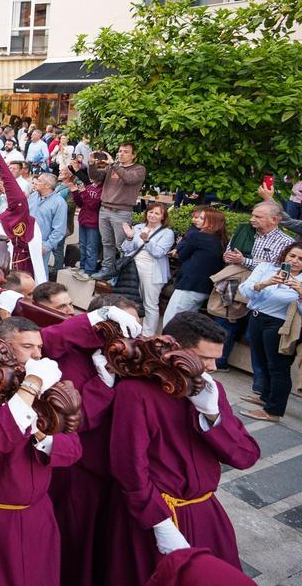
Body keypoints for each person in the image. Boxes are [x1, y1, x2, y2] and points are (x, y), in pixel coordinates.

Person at [107, 312, 260, 584]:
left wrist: (213, 416)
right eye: (204, 358)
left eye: (217, 358)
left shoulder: (211, 390)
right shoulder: (135, 392)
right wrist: (159, 523)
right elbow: (129, 467)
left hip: (205, 513)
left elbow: (245, 456)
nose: (213, 367)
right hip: (158, 515)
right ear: (174, 349)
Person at [0, 318, 81, 586]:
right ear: (4, 349)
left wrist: (43, 437)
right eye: (27, 346)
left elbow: (74, 448)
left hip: (34, 515)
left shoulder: (46, 389)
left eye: (40, 348)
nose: (37, 355)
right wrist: (31, 384)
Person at [237, 242, 302, 422]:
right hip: (257, 317)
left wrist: (300, 291)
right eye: (292, 256)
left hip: (280, 325)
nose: (295, 261)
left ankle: (273, 411)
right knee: (261, 361)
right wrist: (264, 284)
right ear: (285, 255)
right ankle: (265, 397)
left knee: (278, 367)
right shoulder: (267, 268)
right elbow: (245, 290)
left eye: (300, 259)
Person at [90, 144, 147, 276]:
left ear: (134, 155)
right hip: (104, 209)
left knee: (122, 245)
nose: (121, 154)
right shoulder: (112, 168)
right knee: (107, 243)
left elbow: (129, 179)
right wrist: (92, 163)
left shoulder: (139, 169)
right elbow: (95, 177)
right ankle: (107, 270)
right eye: (120, 151)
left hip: (121, 212)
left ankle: (122, 274)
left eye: (126, 152)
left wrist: (113, 165)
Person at [163, 207, 227, 324]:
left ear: (212, 222)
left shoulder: (197, 236)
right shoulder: (221, 241)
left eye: (202, 218)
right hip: (205, 288)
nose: (197, 220)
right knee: (187, 322)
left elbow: (182, 255)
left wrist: (179, 246)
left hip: (189, 285)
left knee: (171, 321)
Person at [120, 202, 175, 336]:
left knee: (150, 303)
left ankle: (147, 335)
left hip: (152, 271)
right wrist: (129, 237)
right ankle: (132, 329)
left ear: (163, 217)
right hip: (133, 268)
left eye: (157, 213)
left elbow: (158, 253)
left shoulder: (167, 233)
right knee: (132, 300)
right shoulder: (138, 227)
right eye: (150, 212)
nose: (152, 215)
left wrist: (146, 241)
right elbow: (126, 249)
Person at [29, 173, 68, 276]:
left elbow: (59, 230)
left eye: (40, 181)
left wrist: (46, 246)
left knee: (39, 273)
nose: (36, 182)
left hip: (42, 244)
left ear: (47, 186)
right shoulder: (33, 196)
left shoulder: (59, 203)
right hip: (26, 240)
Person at [69, 165, 103, 274]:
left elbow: (93, 205)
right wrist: (75, 192)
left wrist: (83, 191)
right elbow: (80, 204)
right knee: (82, 246)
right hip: (83, 220)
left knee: (91, 248)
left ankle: (89, 270)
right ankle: (82, 267)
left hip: (93, 223)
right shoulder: (89, 187)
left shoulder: (102, 190)